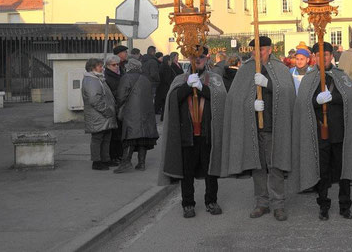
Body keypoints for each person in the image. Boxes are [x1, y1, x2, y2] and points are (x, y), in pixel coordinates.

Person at [290, 41, 352, 221]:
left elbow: (351, 98)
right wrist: (315, 101)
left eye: (325, 54)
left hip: (341, 133)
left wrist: (333, 97)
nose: (322, 58)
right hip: (318, 134)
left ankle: (345, 205)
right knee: (322, 171)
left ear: (331, 56)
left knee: (344, 171)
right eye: (318, 55)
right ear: (314, 57)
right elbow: (302, 105)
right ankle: (323, 204)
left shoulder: (341, 77)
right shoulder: (309, 79)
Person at [221, 36, 296, 221]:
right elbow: (235, 98)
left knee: (276, 166)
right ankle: (262, 203)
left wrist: (268, 84)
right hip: (253, 127)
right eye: (254, 49)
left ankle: (278, 204)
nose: (257, 52)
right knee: (258, 167)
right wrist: (250, 105)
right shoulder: (246, 69)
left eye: (261, 49)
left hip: (274, 126)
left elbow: (288, 93)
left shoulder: (280, 69)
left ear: (270, 49)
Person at [159, 46, 226, 218]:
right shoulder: (180, 79)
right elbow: (172, 100)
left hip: (207, 133)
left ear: (207, 58)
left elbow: (221, 99)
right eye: (194, 57)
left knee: (211, 171)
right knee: (186, 172)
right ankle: (188, 203)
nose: (198, 60)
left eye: (201, 57)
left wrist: (202, 88)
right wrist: (188, 87)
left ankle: (211, 200)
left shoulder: (215, 79)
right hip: (187, 134)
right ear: (189, 59)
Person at [114, 58, 159, 173]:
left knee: (131, 137)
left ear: (129, 67)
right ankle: (141, 163)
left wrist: (118, 106)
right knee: (143, 138)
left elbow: (121, 96)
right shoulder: (145, 78)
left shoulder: (126, 77)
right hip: (146, 112)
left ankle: (126, 162)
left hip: (132, 112)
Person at [82, 58, 118, 170]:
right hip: (99, 115)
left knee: (106, 137)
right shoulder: (91, 80)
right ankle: (97, 162)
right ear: (92, 68)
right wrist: (107, 111)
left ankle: (105, 160)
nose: (102, 68)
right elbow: (94, 100)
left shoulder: (98, 79)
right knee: (97, 139)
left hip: (103, 116)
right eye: (99, 66)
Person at [103, 55, 123, 166]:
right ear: (107, 66)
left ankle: (118, 156)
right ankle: (113, 156)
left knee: (118, 134)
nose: (116, 67)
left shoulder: (118, 75)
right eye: (113, 65)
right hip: (113, 108)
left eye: (117, 64)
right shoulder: (107, 77)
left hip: (119, 108)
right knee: (113, 135)